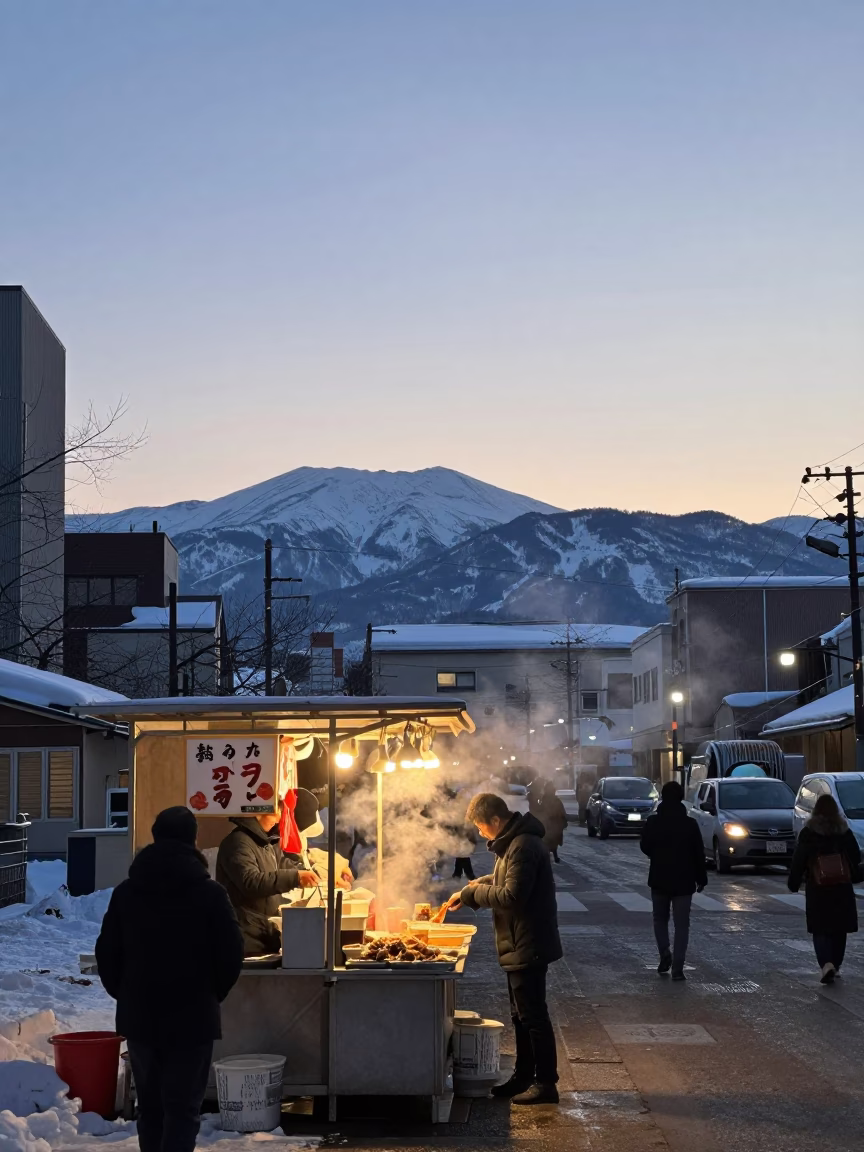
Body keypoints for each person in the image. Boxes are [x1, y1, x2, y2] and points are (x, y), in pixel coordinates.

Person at [95, 807, 244, 1152]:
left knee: (151, 1109)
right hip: (193, 1018)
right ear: (193, 840)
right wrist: (211, 994)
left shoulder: (127, 892)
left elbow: (107, 954)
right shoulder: (210, 894)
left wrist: (126, 994)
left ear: (155, 837)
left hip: (140, 1017)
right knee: (183, 1110)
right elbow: (231, 954)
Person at [446, 792, 562, 1106]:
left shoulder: (523, 845)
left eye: (482, 827)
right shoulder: (513, 842)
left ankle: (545, 1083)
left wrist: (474, 895)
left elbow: (512, 895)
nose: (481, 833)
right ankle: (523, 1077)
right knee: (520, 1015)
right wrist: (469, 888)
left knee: (533, 1016)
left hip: (528, 941)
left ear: (496, 821)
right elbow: (502, 878)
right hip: (519, 940)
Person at [216, 804, 319, 955]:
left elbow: (282, 865)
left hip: (263, 931)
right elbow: (250, 881)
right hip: (247, 935)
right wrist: (295, 878)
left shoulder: (264, 842)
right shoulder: (238, 842)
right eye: (275, 813)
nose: (278, 819)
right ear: (258, 811)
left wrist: (314, 873)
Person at [788, 792, 862, 984]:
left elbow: (799, 860)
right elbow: (855, 857)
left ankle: (826, 964)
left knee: (820, 929)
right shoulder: (843, 831)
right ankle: (835, 965)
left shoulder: (809, 833)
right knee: (839, 929)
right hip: (841, 887)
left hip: (818, 888)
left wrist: (794, 882)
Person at [640, 780, 707, 981]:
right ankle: (678, 967)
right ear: (680, 799)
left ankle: (664, 953)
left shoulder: (653, 822)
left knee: (659, 919)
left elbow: (645, 846)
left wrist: (656, 854)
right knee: (682, 925)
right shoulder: (689, 824)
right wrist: (701, 878)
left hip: (659, 878)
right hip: (684, 881)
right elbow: (698, 853)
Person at [536, 781, 567, 864]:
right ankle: (551, 856)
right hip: (547, 823)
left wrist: (563, 820)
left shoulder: (554, 800)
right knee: (548, 840)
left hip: (554, 823)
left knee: (553, 841)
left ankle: (553, 856)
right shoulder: (544, 799)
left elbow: (561, 811)